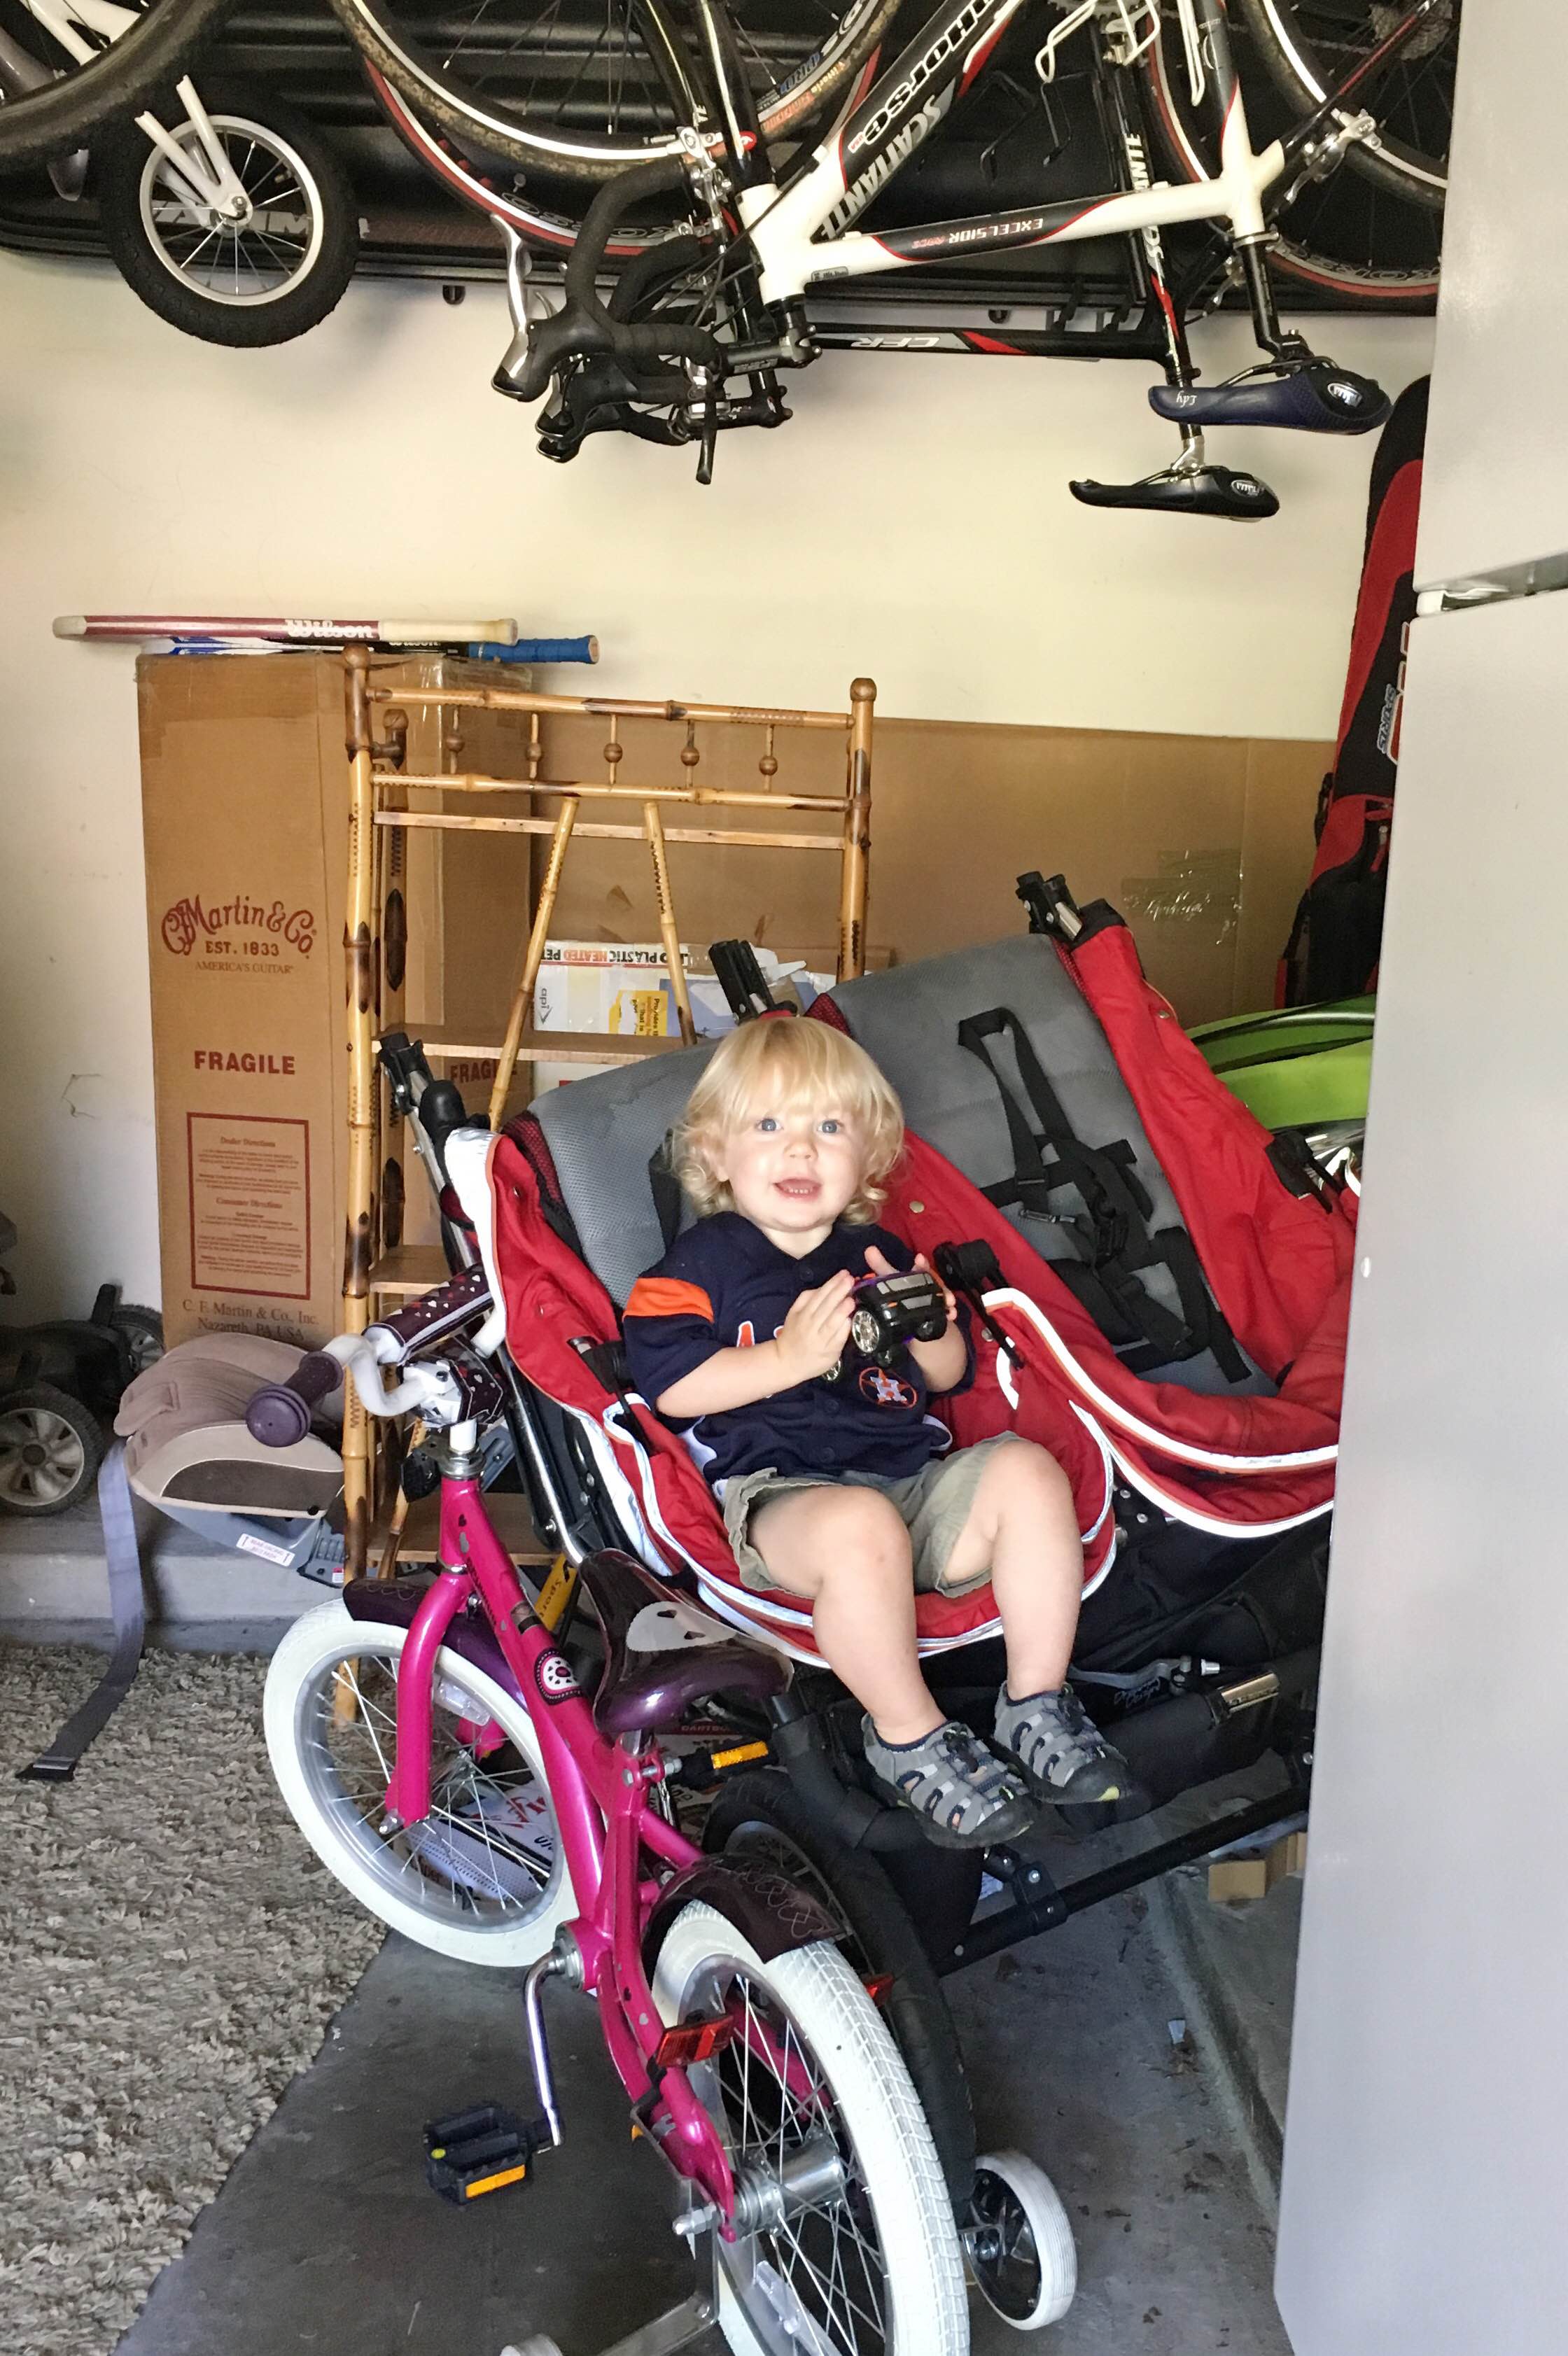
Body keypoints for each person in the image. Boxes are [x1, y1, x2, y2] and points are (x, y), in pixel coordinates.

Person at [622, 1014, 1135, 1849]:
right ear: (714, 1154)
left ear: (866, 1157)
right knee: (860, 1529)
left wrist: (930, 1324)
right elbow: (672, 1391)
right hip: (785, 1501)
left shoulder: (875, 1252)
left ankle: (1036, 1701)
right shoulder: (692, 1270)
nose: (800, 1149)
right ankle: (908, 1737)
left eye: (829, 1128)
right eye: (769, 1125)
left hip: (912, 1484)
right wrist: (786, 1358)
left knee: (1030, 1472)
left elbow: (945, 1377)